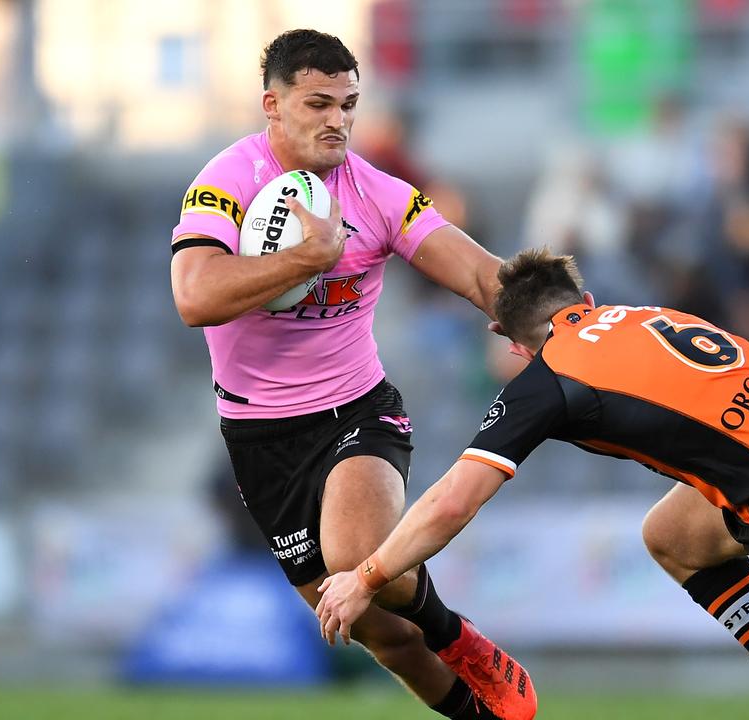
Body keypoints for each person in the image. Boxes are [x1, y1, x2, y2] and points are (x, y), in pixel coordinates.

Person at [316, 248, 749, 720]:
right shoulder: (638, 315)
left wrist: (368, 576)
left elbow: (452, 499)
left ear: (510, 340)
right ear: (582, 298)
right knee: (671, 536)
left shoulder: (547, 378)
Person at [169, 29, 534, 720]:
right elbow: (195, 296)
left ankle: (459, 638)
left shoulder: (380, 194)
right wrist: (310, 258)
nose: (337, 119)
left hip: (355, 411)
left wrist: (553, 326)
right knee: (380, 631)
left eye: (349, 103)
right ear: (272, 105)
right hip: (259, 438)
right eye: (317, 104)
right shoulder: (225, 182)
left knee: (357, 558)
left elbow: (481, 272)